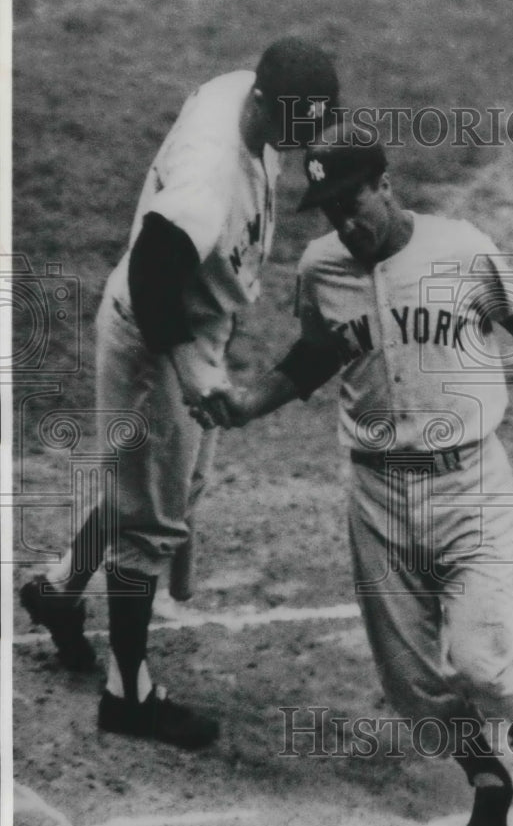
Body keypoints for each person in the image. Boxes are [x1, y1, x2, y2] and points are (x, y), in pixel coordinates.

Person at [192, 125, 513, 826]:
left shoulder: (458, 249)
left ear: (383, 185)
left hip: (468, 485)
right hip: (378, 497)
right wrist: (244, 405)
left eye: (351, 201)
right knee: (409, 682)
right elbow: (311, 358)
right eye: (328, 209)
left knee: (484, 660)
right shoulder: (321, 268)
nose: (342, 221)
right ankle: (485, 777)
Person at [20, 37, 340, 750]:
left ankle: (59, 586)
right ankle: (127, 695)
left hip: (189, 320)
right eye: (294, 123)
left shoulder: (245, 94)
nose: (301, 138)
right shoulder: (206, 183)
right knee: (153, 523)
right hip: (154, 334)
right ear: (261, 101)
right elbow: (151, 280)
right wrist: (192, 373)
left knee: (161, 489)